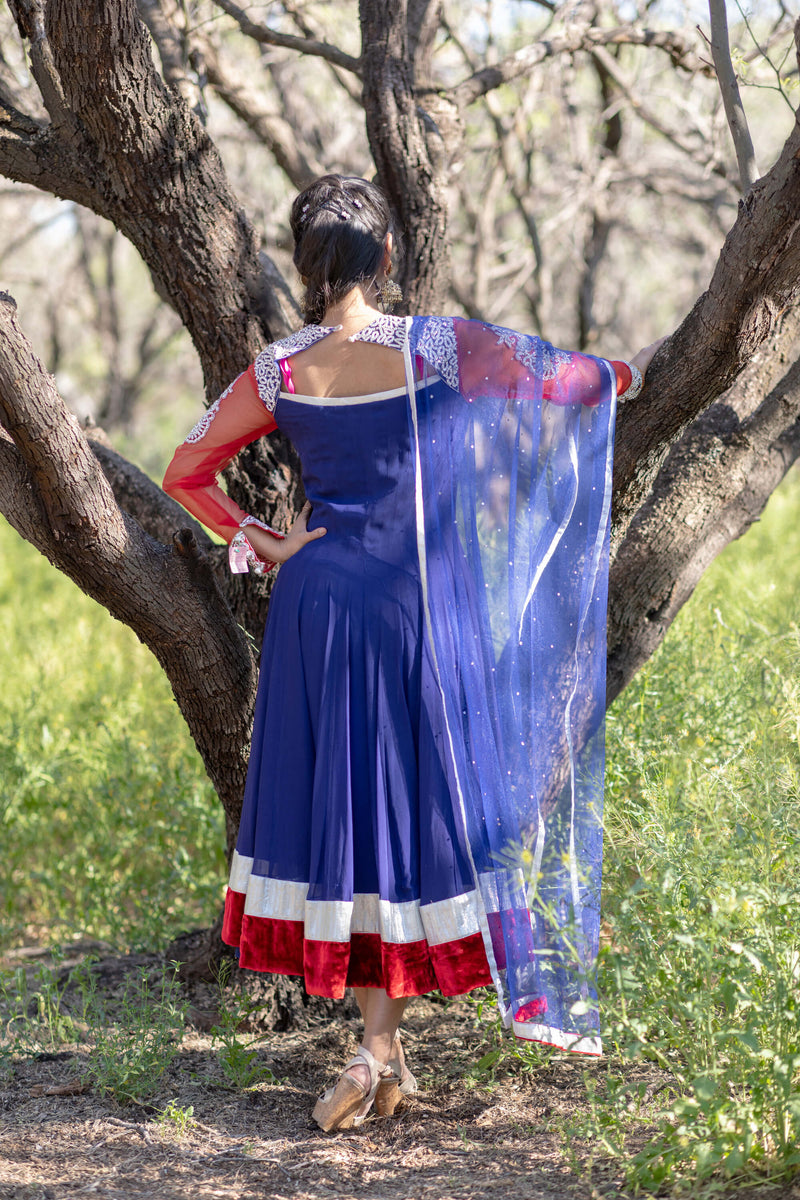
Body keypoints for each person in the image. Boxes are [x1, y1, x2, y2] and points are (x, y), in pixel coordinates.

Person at [163, 173, 665, 1132]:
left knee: (351, 818)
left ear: (306, 267)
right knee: (404, 818)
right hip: (417, 608)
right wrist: (634, 372)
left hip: (316, 609)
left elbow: (187, 470)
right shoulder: (442, 345)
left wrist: (262, 540)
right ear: (386, 257)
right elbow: (568, 383)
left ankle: (378, 1052)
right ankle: (375, 1050)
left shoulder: (276, 370)